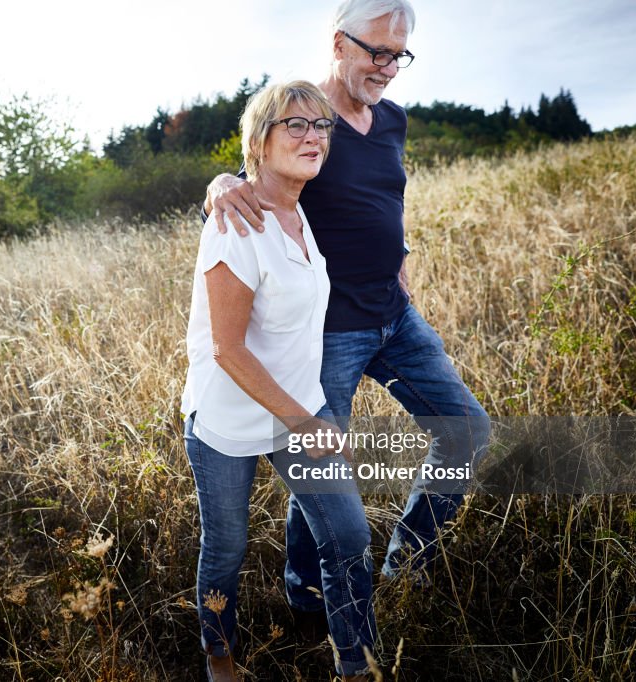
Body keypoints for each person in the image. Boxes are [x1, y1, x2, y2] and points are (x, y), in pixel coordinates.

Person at [204, 0, 490, 655]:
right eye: (376, 52)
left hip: (397, 319)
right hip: (328, 333)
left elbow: (387, 197)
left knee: (468, 430)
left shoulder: (392, 121)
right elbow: (252, 181)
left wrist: (403, 257)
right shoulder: (307, 120)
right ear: (339, 42)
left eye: (400, 55)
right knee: (320, 465)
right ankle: (306, 594)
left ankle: (406, 561)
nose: (389, 68)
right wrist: (220, 183)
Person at [182, 80, 376, 681]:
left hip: (298, 409)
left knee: (348, 536)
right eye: (296, 125)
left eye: (321, 126)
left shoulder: (298, 210)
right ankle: (219, 657)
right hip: (229, 420)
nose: (314, 136)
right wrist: (306, 423)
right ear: (259, 141)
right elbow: (228, 350)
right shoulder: (234, 223)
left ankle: (355, 662)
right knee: (227, 549)